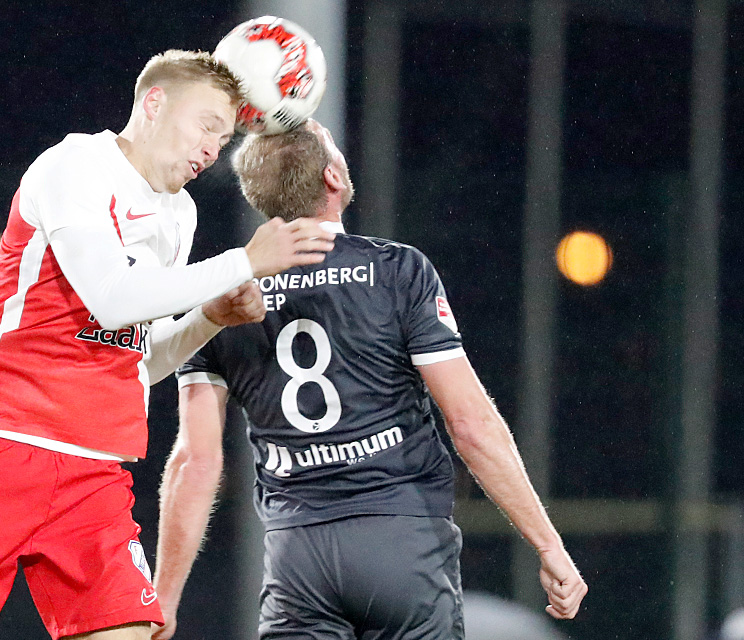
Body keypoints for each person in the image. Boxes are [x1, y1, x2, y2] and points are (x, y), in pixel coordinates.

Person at [0, 50, 334, 640]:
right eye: (206, 125)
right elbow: (111, 298)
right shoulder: (76, 165)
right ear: (154, 104)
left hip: (95, 471)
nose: (213, 149)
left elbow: (138, 359)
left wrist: (209, 317)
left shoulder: (179, 214)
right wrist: (244, 261)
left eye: (224, 137)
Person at [152, 119, 588, 639]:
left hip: (297, 557)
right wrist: (548, 545)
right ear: (333, 177)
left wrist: (164, 599)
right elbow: (471, 425)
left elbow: (195, 462)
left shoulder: (221, 299)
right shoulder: (397, 271)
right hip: (400, 541)